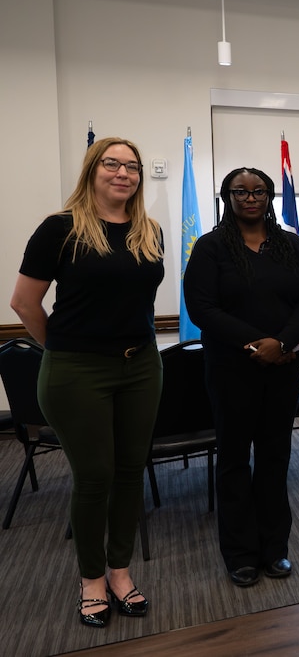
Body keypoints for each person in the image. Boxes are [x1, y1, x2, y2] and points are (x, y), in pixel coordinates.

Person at [11, 137, 164, 627]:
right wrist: (63, 346)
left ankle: (120, 571)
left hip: (141, 365)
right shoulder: (60, 229)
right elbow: (23, 303)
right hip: (77, 370)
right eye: (112, 164)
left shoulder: (149, 230)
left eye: (133, 167)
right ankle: (91, 579)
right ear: (92, 170)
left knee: (129, 470)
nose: (123, 173)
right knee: (94, 476)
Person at [183, 167, 299, 587]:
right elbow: (202, 308)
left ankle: (274, 548)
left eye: (258, 190)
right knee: (234, 459)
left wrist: (280, 343)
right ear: (227, 196)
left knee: (275, 458)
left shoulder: (292, 245)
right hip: (231, 370)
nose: (249, 198)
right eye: (239, 191)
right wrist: (255, 343)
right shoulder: (210, 248)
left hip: (283, 368)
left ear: (269, 195)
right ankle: (240, 553)